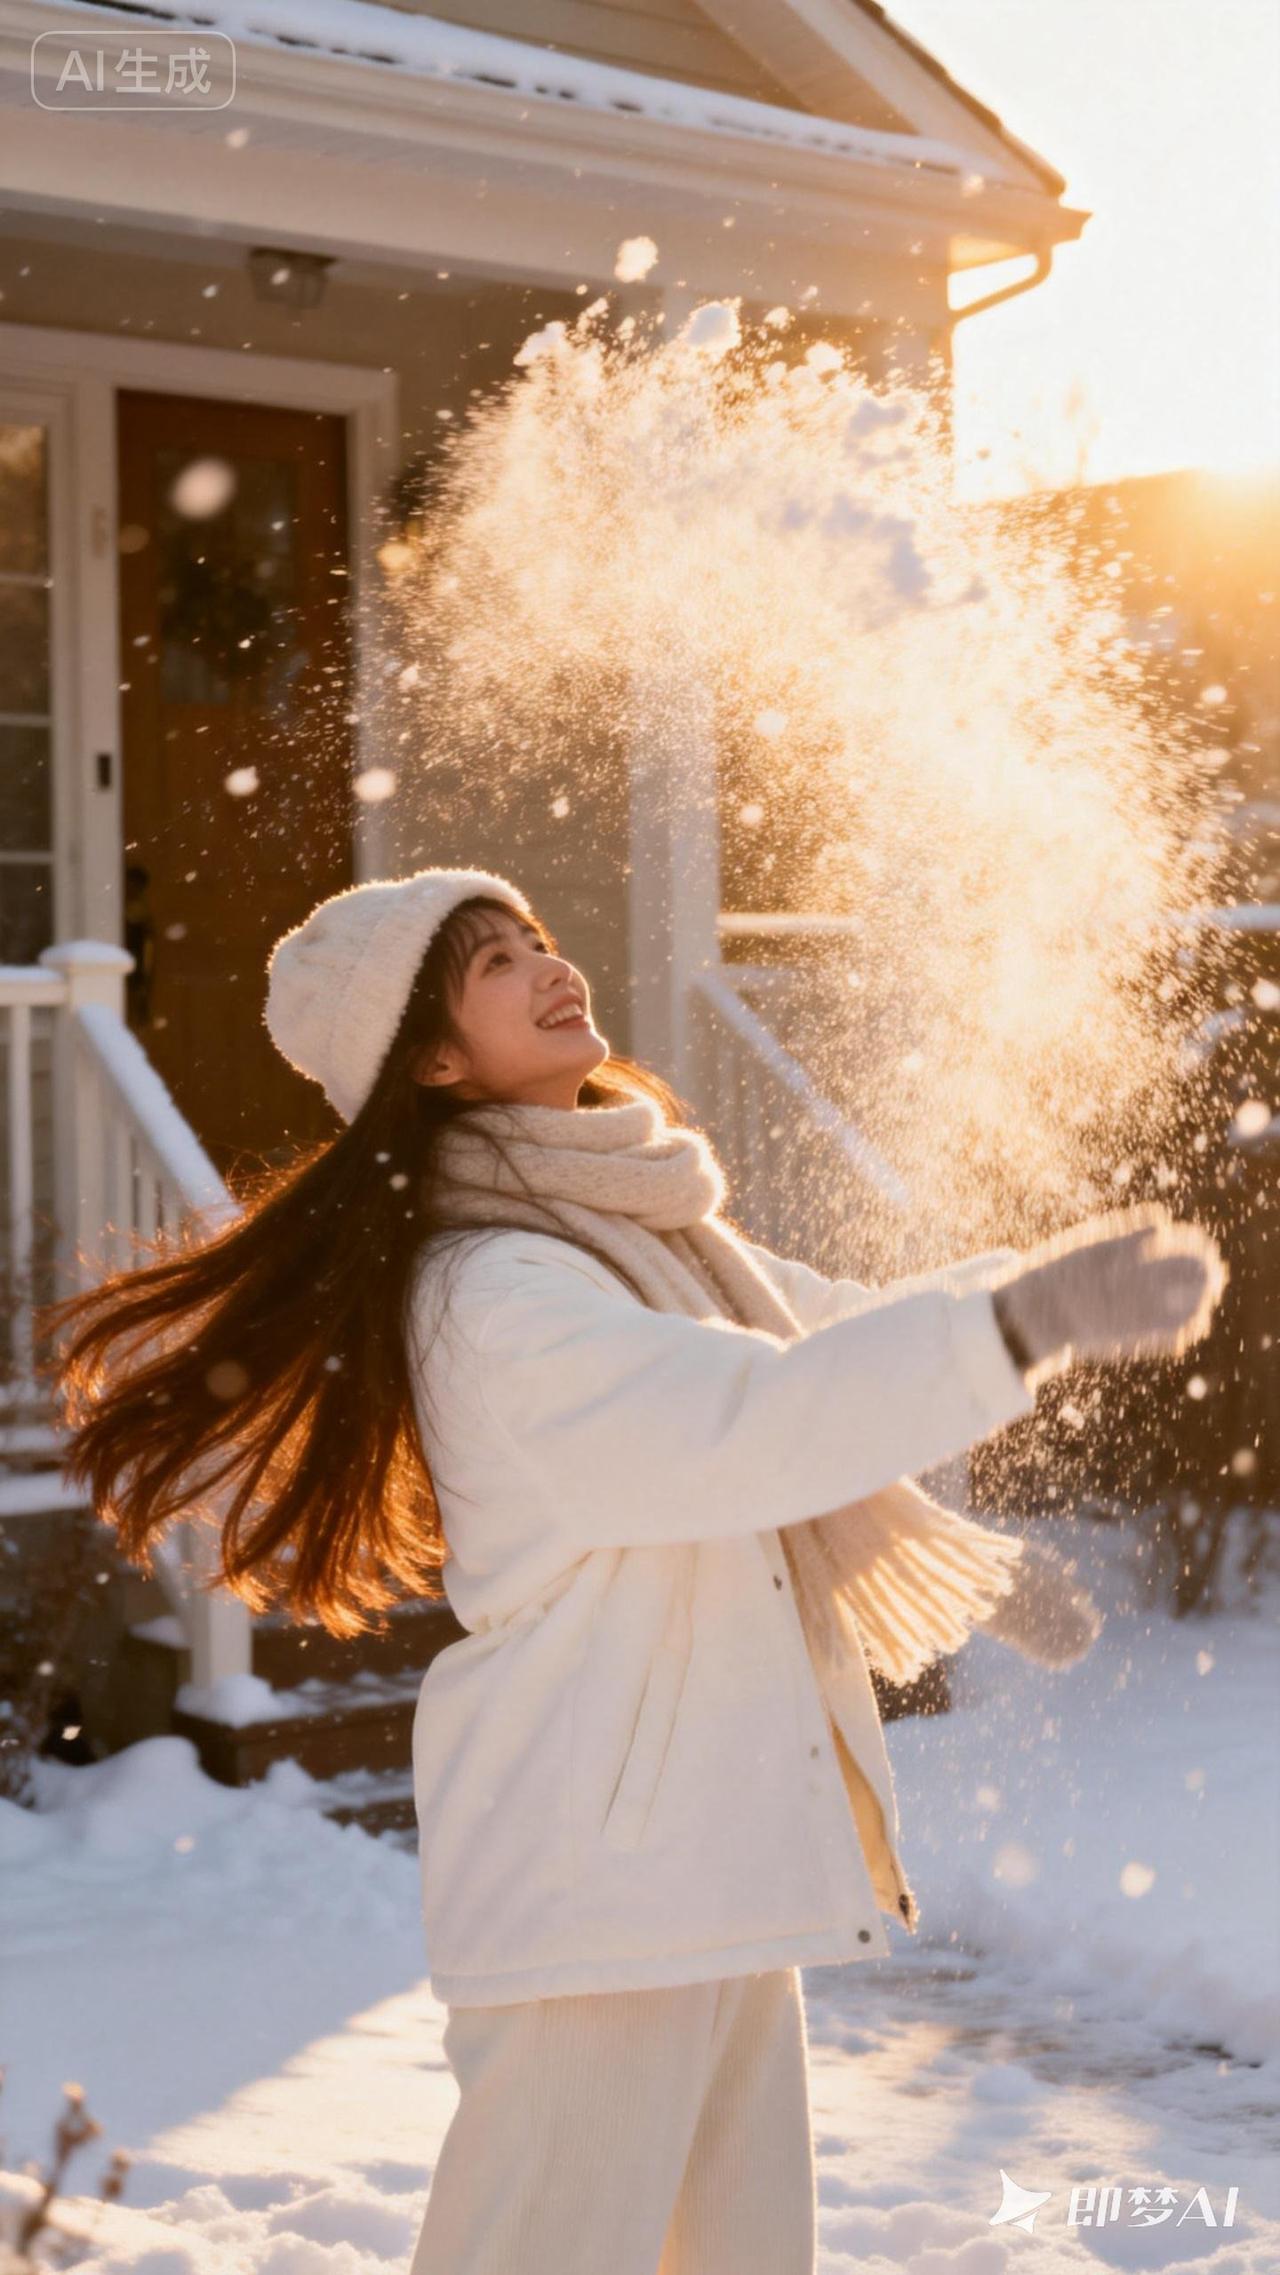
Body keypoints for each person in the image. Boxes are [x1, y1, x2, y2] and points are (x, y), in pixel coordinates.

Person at [42, 865, 1226, 2275]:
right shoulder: (492, 1288)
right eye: (493, 962)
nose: (550, 963)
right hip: (605, 1879)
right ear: (428, 1058)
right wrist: (1023, 1325)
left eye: (536, 934)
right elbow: (754, 1422)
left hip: (708, 1859)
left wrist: (1020, 1307)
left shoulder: (644, 1233)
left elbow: (819, 1339)